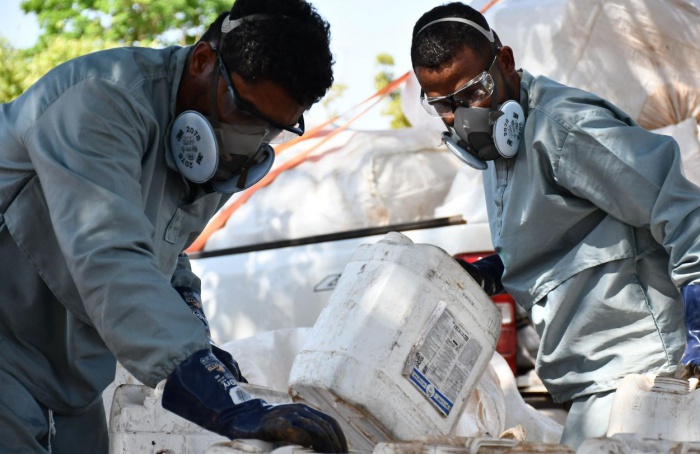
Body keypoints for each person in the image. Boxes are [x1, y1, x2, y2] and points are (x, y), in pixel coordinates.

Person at [0, 0, 348, 452]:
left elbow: (164, 246)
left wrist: (193, 327)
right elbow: (109, 255)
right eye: (244, 113)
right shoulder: (102, 100)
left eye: (272, 129)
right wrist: (217, 396)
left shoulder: (215, 148)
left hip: (69, 381)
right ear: (203, 60)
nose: (252, 142)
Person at [410, 2, 700, 449]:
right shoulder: (498, 154)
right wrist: (493, 269)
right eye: (444, 105)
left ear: (504, 62)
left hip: (642, 372)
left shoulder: (564, 129)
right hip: (590, 379)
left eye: (473, 92)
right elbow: (564, 237)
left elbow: (681, 208)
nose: (462, 118)